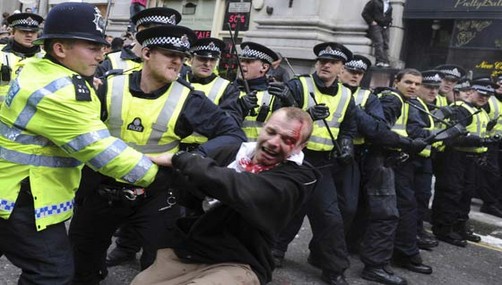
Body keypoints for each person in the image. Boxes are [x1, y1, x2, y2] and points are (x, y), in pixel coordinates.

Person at [0, 2, 169, 284]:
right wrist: (159, 177)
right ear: (60, 49)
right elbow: (99, 149)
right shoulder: (63, 91)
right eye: (92, 47)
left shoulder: (37, 68)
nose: (102, 54)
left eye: (102, 46)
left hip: (12, 185)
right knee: (51, 273)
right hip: (22, 198)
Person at [69, 24, 247, 284]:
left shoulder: (188, 98)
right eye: (170, 54)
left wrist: (189, 157)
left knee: (159, 263)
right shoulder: (109, 85)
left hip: (157, 191)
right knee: (82, 259)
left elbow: (233, 135)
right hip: (101, 188)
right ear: (147, 53)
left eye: (183, 57)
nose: (178, 62)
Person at [130, 107, 318, 285]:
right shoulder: (233, 153)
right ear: (263, 127)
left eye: (287, 140)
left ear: (302, 146)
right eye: (271, 132)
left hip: (240, 262)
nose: (273, 142)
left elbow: (243, 187)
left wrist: (181, 159)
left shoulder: (297, 179)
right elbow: (190, 186)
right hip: (193, 251)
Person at [272, 42, 356, 285]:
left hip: (322, 165)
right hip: (294, 159)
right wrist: (305, 112)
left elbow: (348, 126)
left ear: (341, 68)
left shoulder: (346, 94)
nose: (326, 65)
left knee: (330, 217)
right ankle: (273, 251)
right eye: (322, 60)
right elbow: (278, 117)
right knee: (287, 208)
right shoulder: (299, 85)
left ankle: (334, 269)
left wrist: (347, 143)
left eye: (332, 62)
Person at [340, 54, 417, 285]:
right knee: (377, 213)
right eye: (409, 82)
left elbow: (376, 128)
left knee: (355, 210)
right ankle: (372, 264)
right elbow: (376, 131)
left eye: (360, 73)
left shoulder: (370, 97)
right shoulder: (390, 99)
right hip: (361, 159)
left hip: (365, 158)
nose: (354, 75)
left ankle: (358, 255)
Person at [376, 69, 433, 275]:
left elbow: (415, 129)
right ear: (396, 82)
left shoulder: (407, 102)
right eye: (408, 82)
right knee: (400, 209)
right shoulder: (393, 100)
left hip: (397, 160)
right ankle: (403, 254)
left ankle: (399, 253)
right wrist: (409, 143)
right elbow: (380, 132)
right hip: (387, 161)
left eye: (417, 84)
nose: (413, 87)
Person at [431, 80, 499, 247]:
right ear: (471, 92)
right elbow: (454, 137)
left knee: (465, 195)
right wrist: (480, 141)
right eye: (481, 94)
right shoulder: (461, 110)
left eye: (488, 96)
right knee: (451, 193)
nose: (484, 98)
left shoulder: (480, 112)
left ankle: (459, 226)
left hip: (471, 160)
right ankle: (444, 229)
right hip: (455, 157)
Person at [223, 41, 296, 140]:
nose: (242, 64)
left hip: (258, 152)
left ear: (264, 67)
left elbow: (287, 129)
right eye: (242, 60)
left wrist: (291, 105)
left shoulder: (273, 95)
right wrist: (240, 108)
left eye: (248, 62)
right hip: (228, 150)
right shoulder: (226, 88)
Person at [181, 36, 241, 151]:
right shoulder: (177, 81)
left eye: (212, 60)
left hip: (207, 151)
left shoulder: (227, 88)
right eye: (202, 59)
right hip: (175, 147)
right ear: (190, 59)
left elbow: (230, 124)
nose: (208, 64)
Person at [96, 7, 182, 78]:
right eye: (160, 33)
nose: (165, 39)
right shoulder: (111, 62)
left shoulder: (179, 67)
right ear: (141, 30)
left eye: (168, 36)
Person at [0, 12, 44, 105]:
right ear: (13, 32)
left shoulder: (46, 57)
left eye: (33, 32)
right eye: (23, 31)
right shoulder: (1, 54)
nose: (29, 35)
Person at [362, 0, 392, 67]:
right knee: (379, 42)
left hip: (386, 26)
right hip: (377, 25)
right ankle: (379, 61)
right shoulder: (374, 2)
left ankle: (385, 61)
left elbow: (388, 15)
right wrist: (372, 22)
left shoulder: (389, 4)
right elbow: (364, 13)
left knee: (386, 44)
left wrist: (390, 22)